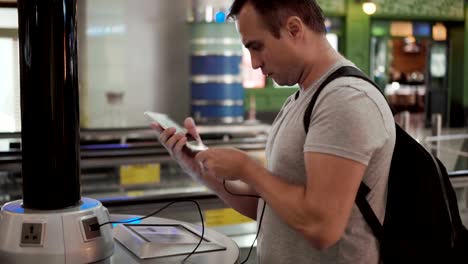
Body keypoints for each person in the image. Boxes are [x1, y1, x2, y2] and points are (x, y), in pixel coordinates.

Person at [151, 0, 396, 263]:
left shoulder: (345, 99)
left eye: (257, 47)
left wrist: (247, 168)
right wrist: (200, 169)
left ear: (293, 29)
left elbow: (321, 227)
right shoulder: (302, 98)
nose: (254, 63)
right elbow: (270, 207)